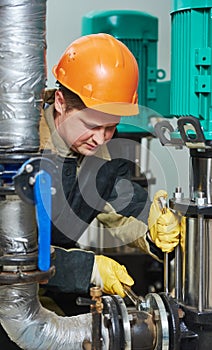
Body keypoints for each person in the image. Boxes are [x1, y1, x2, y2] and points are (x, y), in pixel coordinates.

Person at [39, 33, 180, 302]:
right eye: (92, 125)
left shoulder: (100, 157)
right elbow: (9, 253)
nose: (101, 138)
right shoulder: (19, 151)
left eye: (111, 127)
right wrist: (88, 270)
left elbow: (125, 208)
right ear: (60, 102)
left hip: (53, 290)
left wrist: (154, 229)